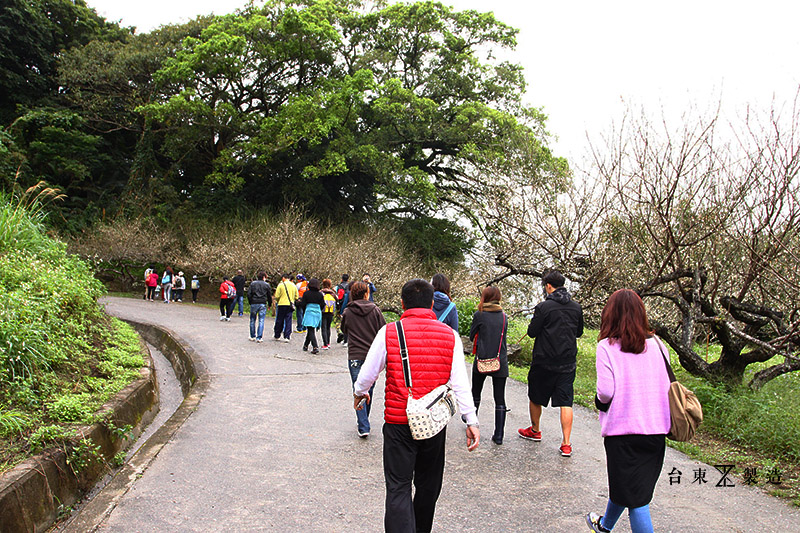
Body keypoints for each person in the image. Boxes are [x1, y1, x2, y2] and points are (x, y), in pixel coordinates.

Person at [354, 279, 479, 533]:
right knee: (428, 486)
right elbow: (460, 384)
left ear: (402, 303)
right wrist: (471, 420)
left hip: (398, 423)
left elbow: (368, 373)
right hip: (433, 425)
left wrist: (360, 392)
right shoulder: (450, 336)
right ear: (432, 304)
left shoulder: (389, 332)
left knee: (398, 486)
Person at [585, 289, 670, 533]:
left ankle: (606, 526)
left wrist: (599, 404)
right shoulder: (658, 345)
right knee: (630, 488)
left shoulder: (606, 347)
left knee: (637, 500)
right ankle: (604, 526)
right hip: (655, 430)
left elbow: (605, 392)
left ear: (609, 315)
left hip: (622, 432)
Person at [518, 270, 584, 457]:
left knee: (535, 395)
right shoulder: (576, 307)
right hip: (567, 362)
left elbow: (532, 332)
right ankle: (566, 443)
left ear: (548, 286)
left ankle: (535, 430)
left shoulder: (543, 307)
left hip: (544, 361)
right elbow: (578, 332)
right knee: (566, 401)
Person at [340, 281, 386, 437]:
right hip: (372, 355)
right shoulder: (375, 310)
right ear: (367, 293)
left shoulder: (348, 312)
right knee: (369, 387)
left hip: (355, 355)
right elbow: (383, 331)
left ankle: (363, 423)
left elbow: (344, 329)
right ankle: (363, 422)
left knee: (358, 388)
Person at [469, 285, 509, 444]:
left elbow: (472, 336)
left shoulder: (480, 315)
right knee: (500, 399)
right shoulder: (504, 316)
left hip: (482, 359)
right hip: (500, 360)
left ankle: (472, 426)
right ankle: (499, 435)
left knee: (475, 394)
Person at [299, 278, 324, 354]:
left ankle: (315, 346)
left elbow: (303, 304)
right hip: (317, 312)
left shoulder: (306, 293)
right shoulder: (320, 294)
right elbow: (323, 304)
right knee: (311, 329)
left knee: (310, 329)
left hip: (309, 311)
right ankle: (305, 345)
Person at [272, 273, 299, 342]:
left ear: (284, 278)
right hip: (290, 305)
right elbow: (296, 296)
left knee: (279, 320)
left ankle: (277, 335)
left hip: (281, 304)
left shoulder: (281, 285)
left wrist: (278, 300)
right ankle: (287, 336)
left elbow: (277, 296)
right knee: (288, 320)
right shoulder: (293, 285)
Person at [248, 271, 272, 342]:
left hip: (254, 302)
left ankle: (252, 336)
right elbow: (269, 296)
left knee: (252, 319)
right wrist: (269, 304)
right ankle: (259, 337)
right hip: (262, 303)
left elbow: (249, 294)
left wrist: (250, 301)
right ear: (264, 277)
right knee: (261, 320)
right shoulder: (267, 285)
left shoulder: (253, 284)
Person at [320, 278, 337, 349]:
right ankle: (328, 343)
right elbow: (337, 301)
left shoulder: (321, 292)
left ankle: (325, 344)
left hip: (323, 312)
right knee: (328, 327)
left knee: (323, 327)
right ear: (330, 285)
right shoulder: (333, 293)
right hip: (331, 312)